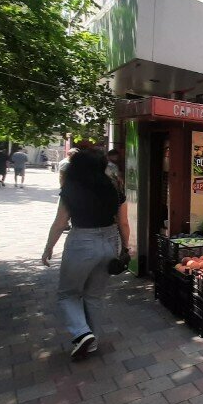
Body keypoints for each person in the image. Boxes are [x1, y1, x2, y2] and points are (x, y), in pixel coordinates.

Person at [42, 149, 130, 360]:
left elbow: (60, 223)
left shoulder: (71, 188)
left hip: (82, 242)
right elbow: (124, 222)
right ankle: (91, 342)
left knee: (68, 294)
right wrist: (125, 248)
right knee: (94, 296)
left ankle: (82, 333)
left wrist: (48, 247)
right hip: (110, 242)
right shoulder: (114, 186)